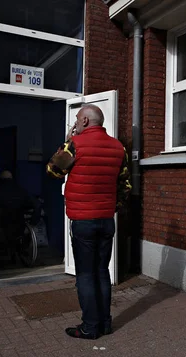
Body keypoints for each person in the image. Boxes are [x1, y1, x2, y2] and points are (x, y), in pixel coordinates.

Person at [47, 104, 131, 340]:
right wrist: (111, 208)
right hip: (106, 221)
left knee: (85, 275)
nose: (75, 123)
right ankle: (104, 323)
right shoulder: (118, 147)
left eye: (76, 119)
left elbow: (53, 171)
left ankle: (90, 327)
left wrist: (66, 141)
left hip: (83, 221)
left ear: (84, 121)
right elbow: (125, 186)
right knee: (102, 271)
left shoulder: (75, 145)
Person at [0, 170, 41, 265]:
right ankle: (21, 252)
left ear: (0, 179)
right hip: (18, 226)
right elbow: (37, 205)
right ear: (12, 179)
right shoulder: (20, 190)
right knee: (22, 234)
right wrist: (33, 223)